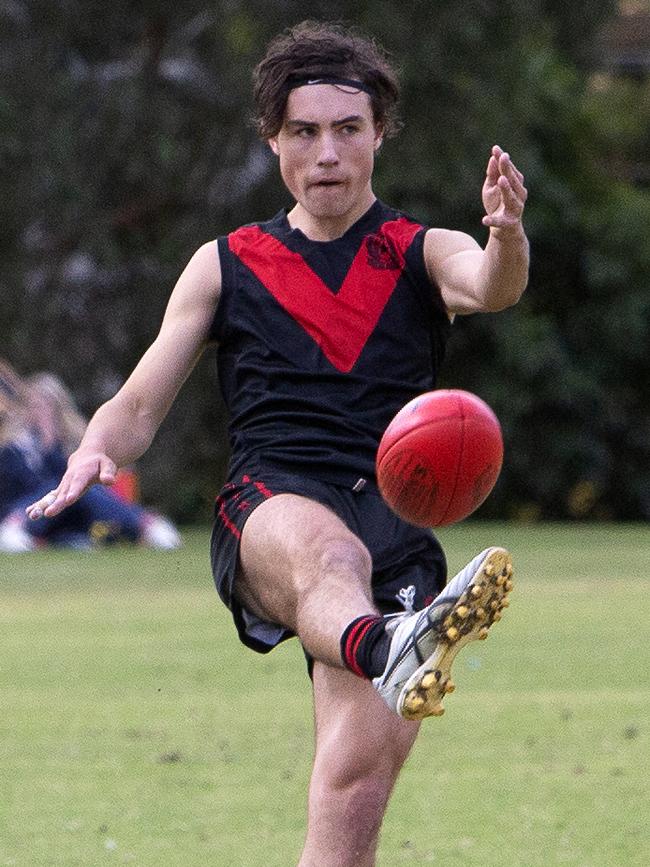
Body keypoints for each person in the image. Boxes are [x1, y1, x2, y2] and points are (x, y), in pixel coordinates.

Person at [27, 20, 528, 866]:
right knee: (332, 558)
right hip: (272, 503)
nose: (327, 153)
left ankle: (392, 647)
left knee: (351, 791)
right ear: (273, 140)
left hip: (394, 527)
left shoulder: (415, 250)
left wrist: (507, 235)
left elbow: (487, 283)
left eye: (347, 130)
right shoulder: (226, 263)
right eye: (304, 131)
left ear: (378, 137)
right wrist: (96, 448)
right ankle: (390, 644)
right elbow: (141, 400)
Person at [0, 362, 180, 552]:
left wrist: (52, 444)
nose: (41, 412)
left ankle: (145, 526)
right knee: (60, 486)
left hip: (69, 514)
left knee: (81, 488)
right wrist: (45, 445)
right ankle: (15, 526)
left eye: (47, 406)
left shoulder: (77, 439)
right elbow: (21, 484)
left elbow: (76, 478)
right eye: (36, 406)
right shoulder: (14, 444)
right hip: (24, 508)